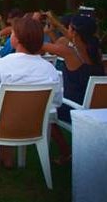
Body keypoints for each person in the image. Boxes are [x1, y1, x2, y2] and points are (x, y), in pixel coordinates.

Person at [0, 17, 62, 169]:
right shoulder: (50, 69)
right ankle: (6, 158)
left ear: (17, 39)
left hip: (2, 125)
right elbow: (56, 102)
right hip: (34, 126)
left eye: (12, 33)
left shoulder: (2, 65)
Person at [42, 14, 105, 164]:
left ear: (74, 32)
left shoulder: (70, 53)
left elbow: (36, 45)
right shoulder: (96, 53)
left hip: (75, 109)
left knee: (44, 109)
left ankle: (66, 152)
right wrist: (55, 23)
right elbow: (72, 38)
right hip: (96, 109)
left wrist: (29, 26)